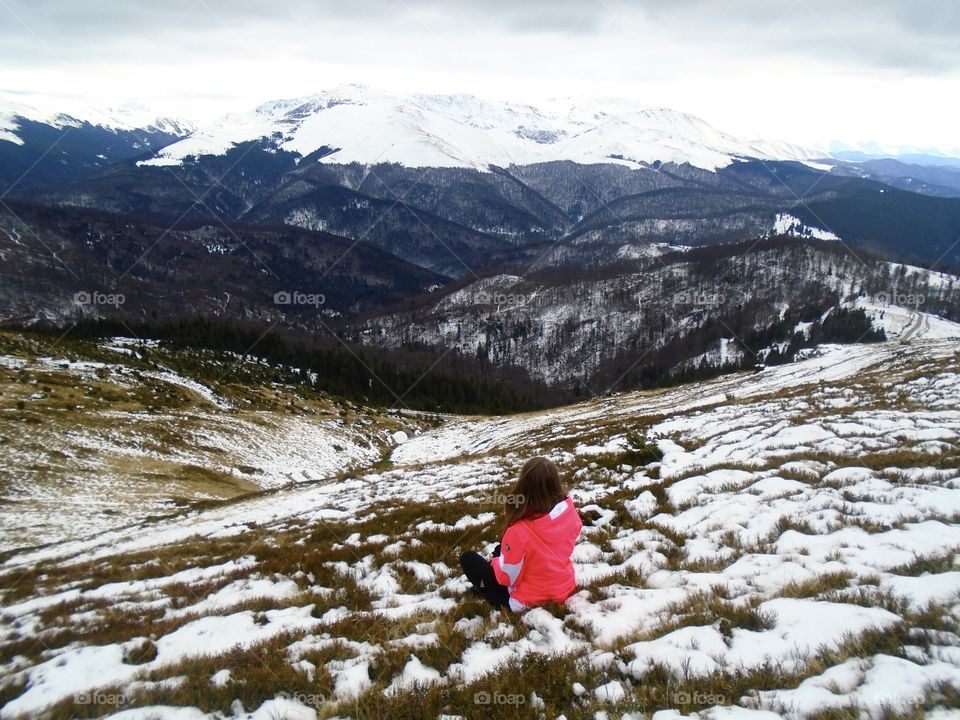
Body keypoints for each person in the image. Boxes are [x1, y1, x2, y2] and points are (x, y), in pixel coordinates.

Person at [459, 457, 583, 612]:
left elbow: (507, 578)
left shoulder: (519, 530)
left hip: (527, 603)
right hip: (565, 589)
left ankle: (485, 588)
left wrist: (495, 562)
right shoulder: (569, 513)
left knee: (468, 559)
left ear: (523, 487)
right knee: (502, 547)